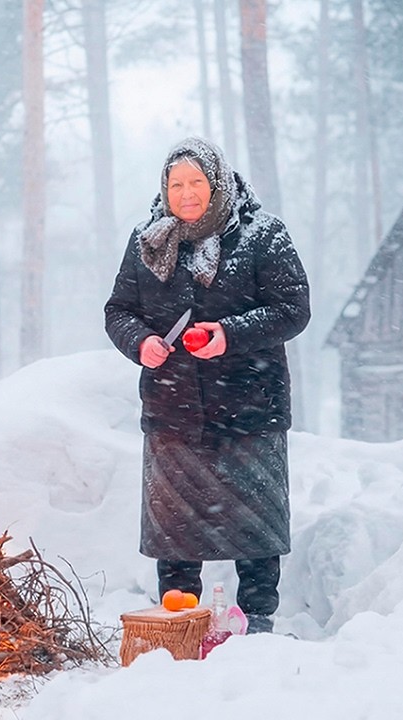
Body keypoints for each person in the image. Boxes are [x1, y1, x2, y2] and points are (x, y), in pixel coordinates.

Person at [104, 136, 310, 634]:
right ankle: (180, 622)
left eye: (197, 181)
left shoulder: (263, 235)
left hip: (249, 410)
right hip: (173, 411)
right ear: (165, 189)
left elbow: (292, 310)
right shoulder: (147, 240)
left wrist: (228, 334)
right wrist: (142, 342)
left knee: (254, 524)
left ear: (217, 182)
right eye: (177, 183)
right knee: (174, 529)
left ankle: (258, 620)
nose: (187, 193)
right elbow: (118, 312)